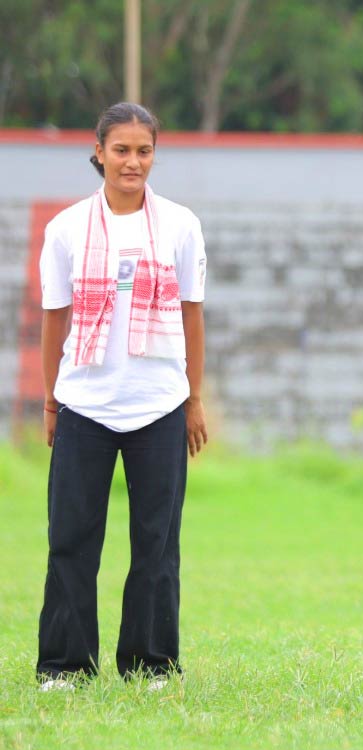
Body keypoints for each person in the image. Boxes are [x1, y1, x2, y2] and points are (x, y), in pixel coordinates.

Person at [36, 102, 208, 691]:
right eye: (121, 150)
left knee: (157, 543)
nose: (133, 161)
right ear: (99, 154)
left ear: (154, 155)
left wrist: (193, 400)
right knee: (71, 539)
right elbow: (53, 321)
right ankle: (64, 666)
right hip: (85, 406)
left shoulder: (182, 225)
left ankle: (151, 664)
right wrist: (52, 401)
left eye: (144, 150)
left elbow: (192, 317)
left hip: (159, 404)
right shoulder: (65, 230)